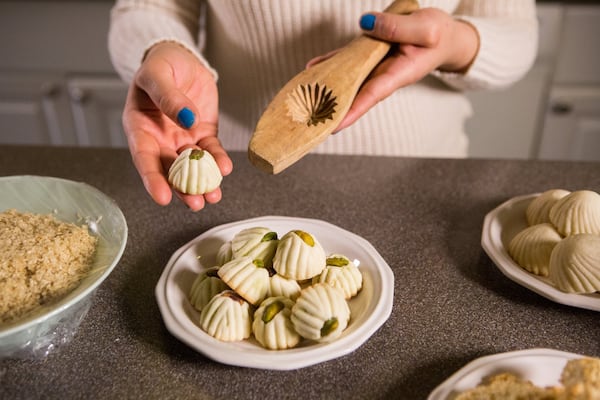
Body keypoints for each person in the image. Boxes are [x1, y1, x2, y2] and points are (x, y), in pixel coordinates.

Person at [108, 0, 538, 211]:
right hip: (241, 170)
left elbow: (516, 32)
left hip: (423, 186)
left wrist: (455, 42)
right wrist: (159, 46)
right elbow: (147, 6)